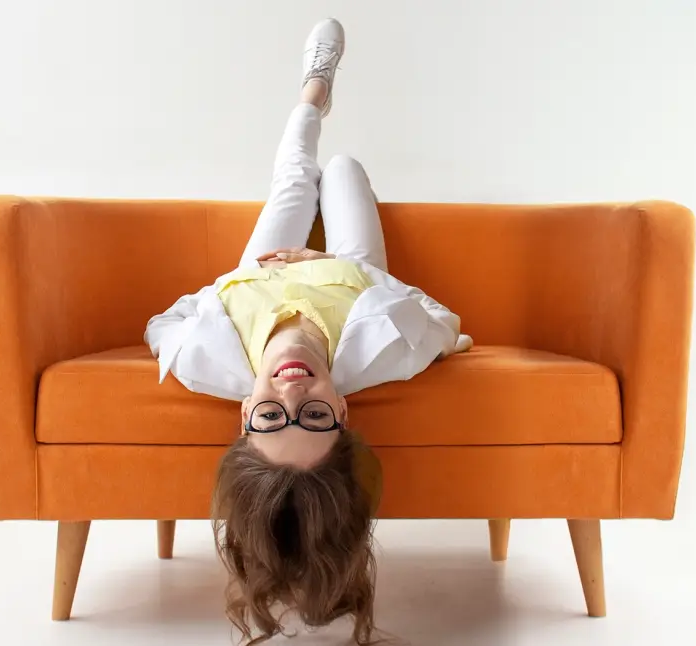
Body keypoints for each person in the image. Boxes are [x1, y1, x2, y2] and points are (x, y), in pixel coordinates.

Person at [144, 18, 472, 645]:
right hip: (348, 276)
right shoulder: (386, 353)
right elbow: (442, 317)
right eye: (314, 417)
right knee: (343, 168)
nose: (292, 394)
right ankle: (324, 129)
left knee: (296, 179)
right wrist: (329, 264)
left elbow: (162, 324)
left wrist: (225, 287)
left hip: (256, 277)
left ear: (245, 414)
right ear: (342, 412)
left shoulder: (204, 360)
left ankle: (314, 90)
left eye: (272, 418)